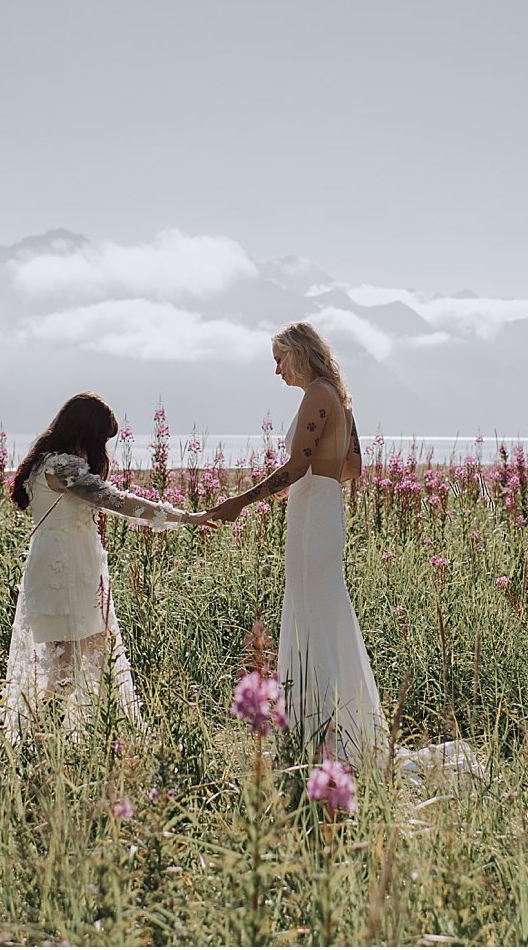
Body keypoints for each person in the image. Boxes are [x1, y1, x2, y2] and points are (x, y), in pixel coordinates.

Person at [204, 322, 386, 765]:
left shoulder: (318, 395)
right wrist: (310, 485)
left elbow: (296, 464)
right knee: (324, 614)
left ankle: (317, 733)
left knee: (308, 616)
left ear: (300, 353)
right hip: (325, 512)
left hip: (311, 521)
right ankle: (338, 729)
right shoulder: (339, 397)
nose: (277, 369)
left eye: (280, 358)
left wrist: (241, 502)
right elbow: (352, 467)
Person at [2, 392, 210, 739]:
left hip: (71, 568)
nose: (101, 449)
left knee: (94, 660)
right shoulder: (62, 466)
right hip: (63, 573)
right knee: (65, 670)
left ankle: (100, 740)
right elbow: (117, 501)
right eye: (100, 439)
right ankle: (41, 744)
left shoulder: (43, 462)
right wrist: (183, 517)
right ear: (84, 431)